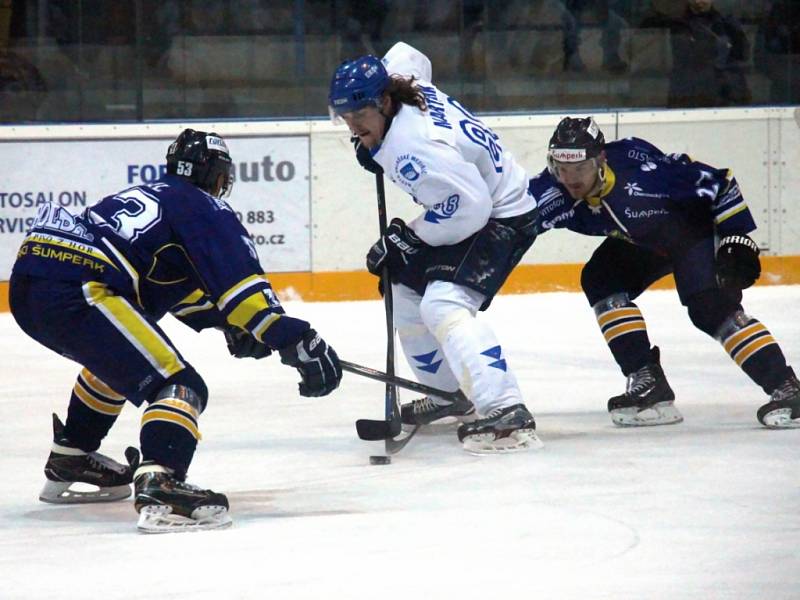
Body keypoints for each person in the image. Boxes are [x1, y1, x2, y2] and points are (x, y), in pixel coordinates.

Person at [9, 129, 342, 532]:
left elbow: (171, 290)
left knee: (120, 365)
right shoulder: (204, 207)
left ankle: (72, 456)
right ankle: (161, 481)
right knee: (179, 386)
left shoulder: (154, 195)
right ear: (216, 175)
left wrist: (228, 325)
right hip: (79, 289)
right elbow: (245, 295)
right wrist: (294, 337)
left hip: (30, 284)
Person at [327, 42, 541, 453]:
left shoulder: (416, 147)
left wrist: (409, 236)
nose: (353, 126)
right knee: (402, 289)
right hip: (474, 201)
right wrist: (373, 139)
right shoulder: (401, 80)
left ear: (385, 102)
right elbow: (409, 53)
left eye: (360, 116)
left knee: (443, 303)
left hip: (502, 213)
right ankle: (448, 394)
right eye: (346, 118)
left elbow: (471, 208)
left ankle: (506, 409)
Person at [529, 116, 799, 428]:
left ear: (600, 160)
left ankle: (787, 387)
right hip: (646, 241)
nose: (571, 178)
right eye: (562, 168)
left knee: (710, 309)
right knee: (601, 278)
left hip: (690, 233)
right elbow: (511, 220)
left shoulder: (647, 179)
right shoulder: (553, 191)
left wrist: (736, 238)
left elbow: (720, 183)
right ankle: (648, 383)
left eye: (580, 168)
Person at [640, 0, 751, 108]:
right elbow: (644, 25)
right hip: (686, 93)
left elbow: (743, 55)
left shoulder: (726, 24)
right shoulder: (676, 23)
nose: (699, 1)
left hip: (722, 93)